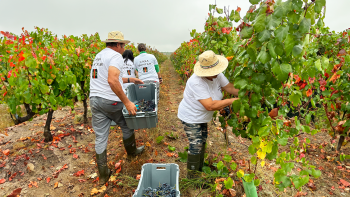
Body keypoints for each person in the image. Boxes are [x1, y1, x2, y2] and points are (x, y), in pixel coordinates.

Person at [89, 31, 145, 185]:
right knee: (128, 124)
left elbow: (108, 78)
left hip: (95, 100)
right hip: (110, 100)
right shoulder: (116, 57)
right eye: (123, 45)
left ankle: (103, 174)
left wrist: (130, 79)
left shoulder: (99, 56)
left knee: (100, 136)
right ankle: (132, 153)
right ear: (118, 45)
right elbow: (113, 81)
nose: (124, 48)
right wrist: (127, 102)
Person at [177, 50, 239, 178]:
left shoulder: (218, 75)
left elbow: (230, 88)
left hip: (202, 116)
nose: (215, 73)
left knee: (203, 139)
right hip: (190, 115)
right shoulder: (196, 82)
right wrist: (233, 100)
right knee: (196, 143)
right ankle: (192, 177)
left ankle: (199, 169)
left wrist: (245, 94)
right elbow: (210, 105)